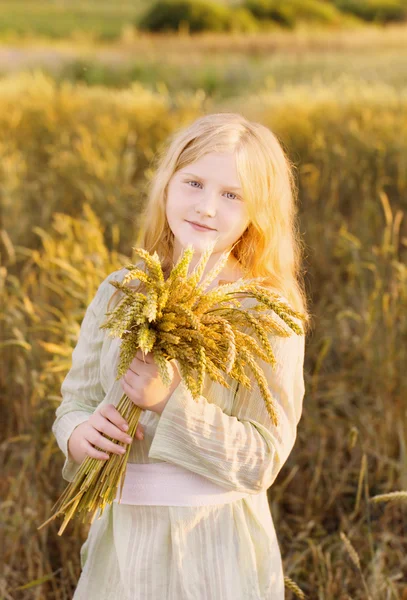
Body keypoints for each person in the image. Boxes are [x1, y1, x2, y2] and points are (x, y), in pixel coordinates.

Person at [52, 112, 310, 599]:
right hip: (122, 543)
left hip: (213, 546)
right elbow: (74, 403)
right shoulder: (119, 292)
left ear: (260, 211)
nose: (207, 207)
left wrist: (168, 403)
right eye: (193, 182)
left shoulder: (267, 313)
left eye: (232, 195)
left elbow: (263, 459)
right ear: (167, 185)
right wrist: (77, 436)